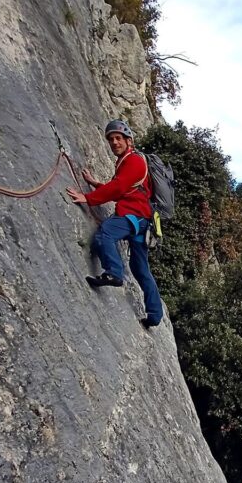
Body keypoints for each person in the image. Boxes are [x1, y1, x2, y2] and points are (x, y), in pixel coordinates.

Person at [66, 120, 163, 329]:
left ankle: (114, 273)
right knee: (140, 268)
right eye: (111, 139)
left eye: (118, 138)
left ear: (129, 141)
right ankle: (155, 315)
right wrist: (96, 185)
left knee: (104, 235)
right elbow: (124, 187)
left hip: (133, 216)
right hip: (141, 220)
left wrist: (88, 197)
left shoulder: (135, 161)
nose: (114, 143)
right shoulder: (127, 161)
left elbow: (118, 188)